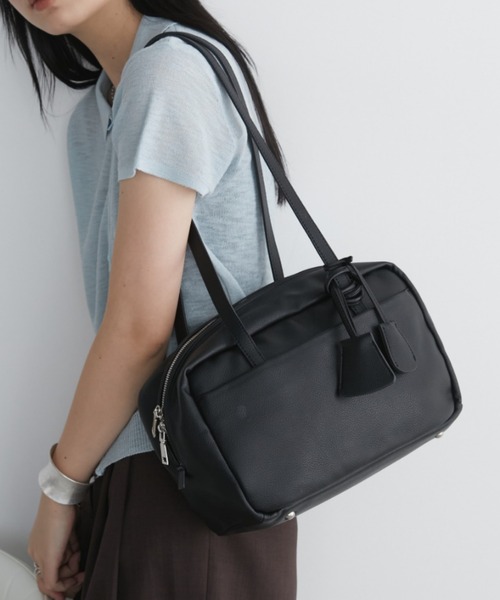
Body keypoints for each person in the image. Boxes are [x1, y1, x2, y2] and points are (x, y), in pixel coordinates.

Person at [1, 1, 297, 599]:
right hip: (153, 466)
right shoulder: (96, 115)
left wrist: (59, 490)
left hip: (193, 479)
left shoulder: (169, 72)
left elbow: (140, 331)